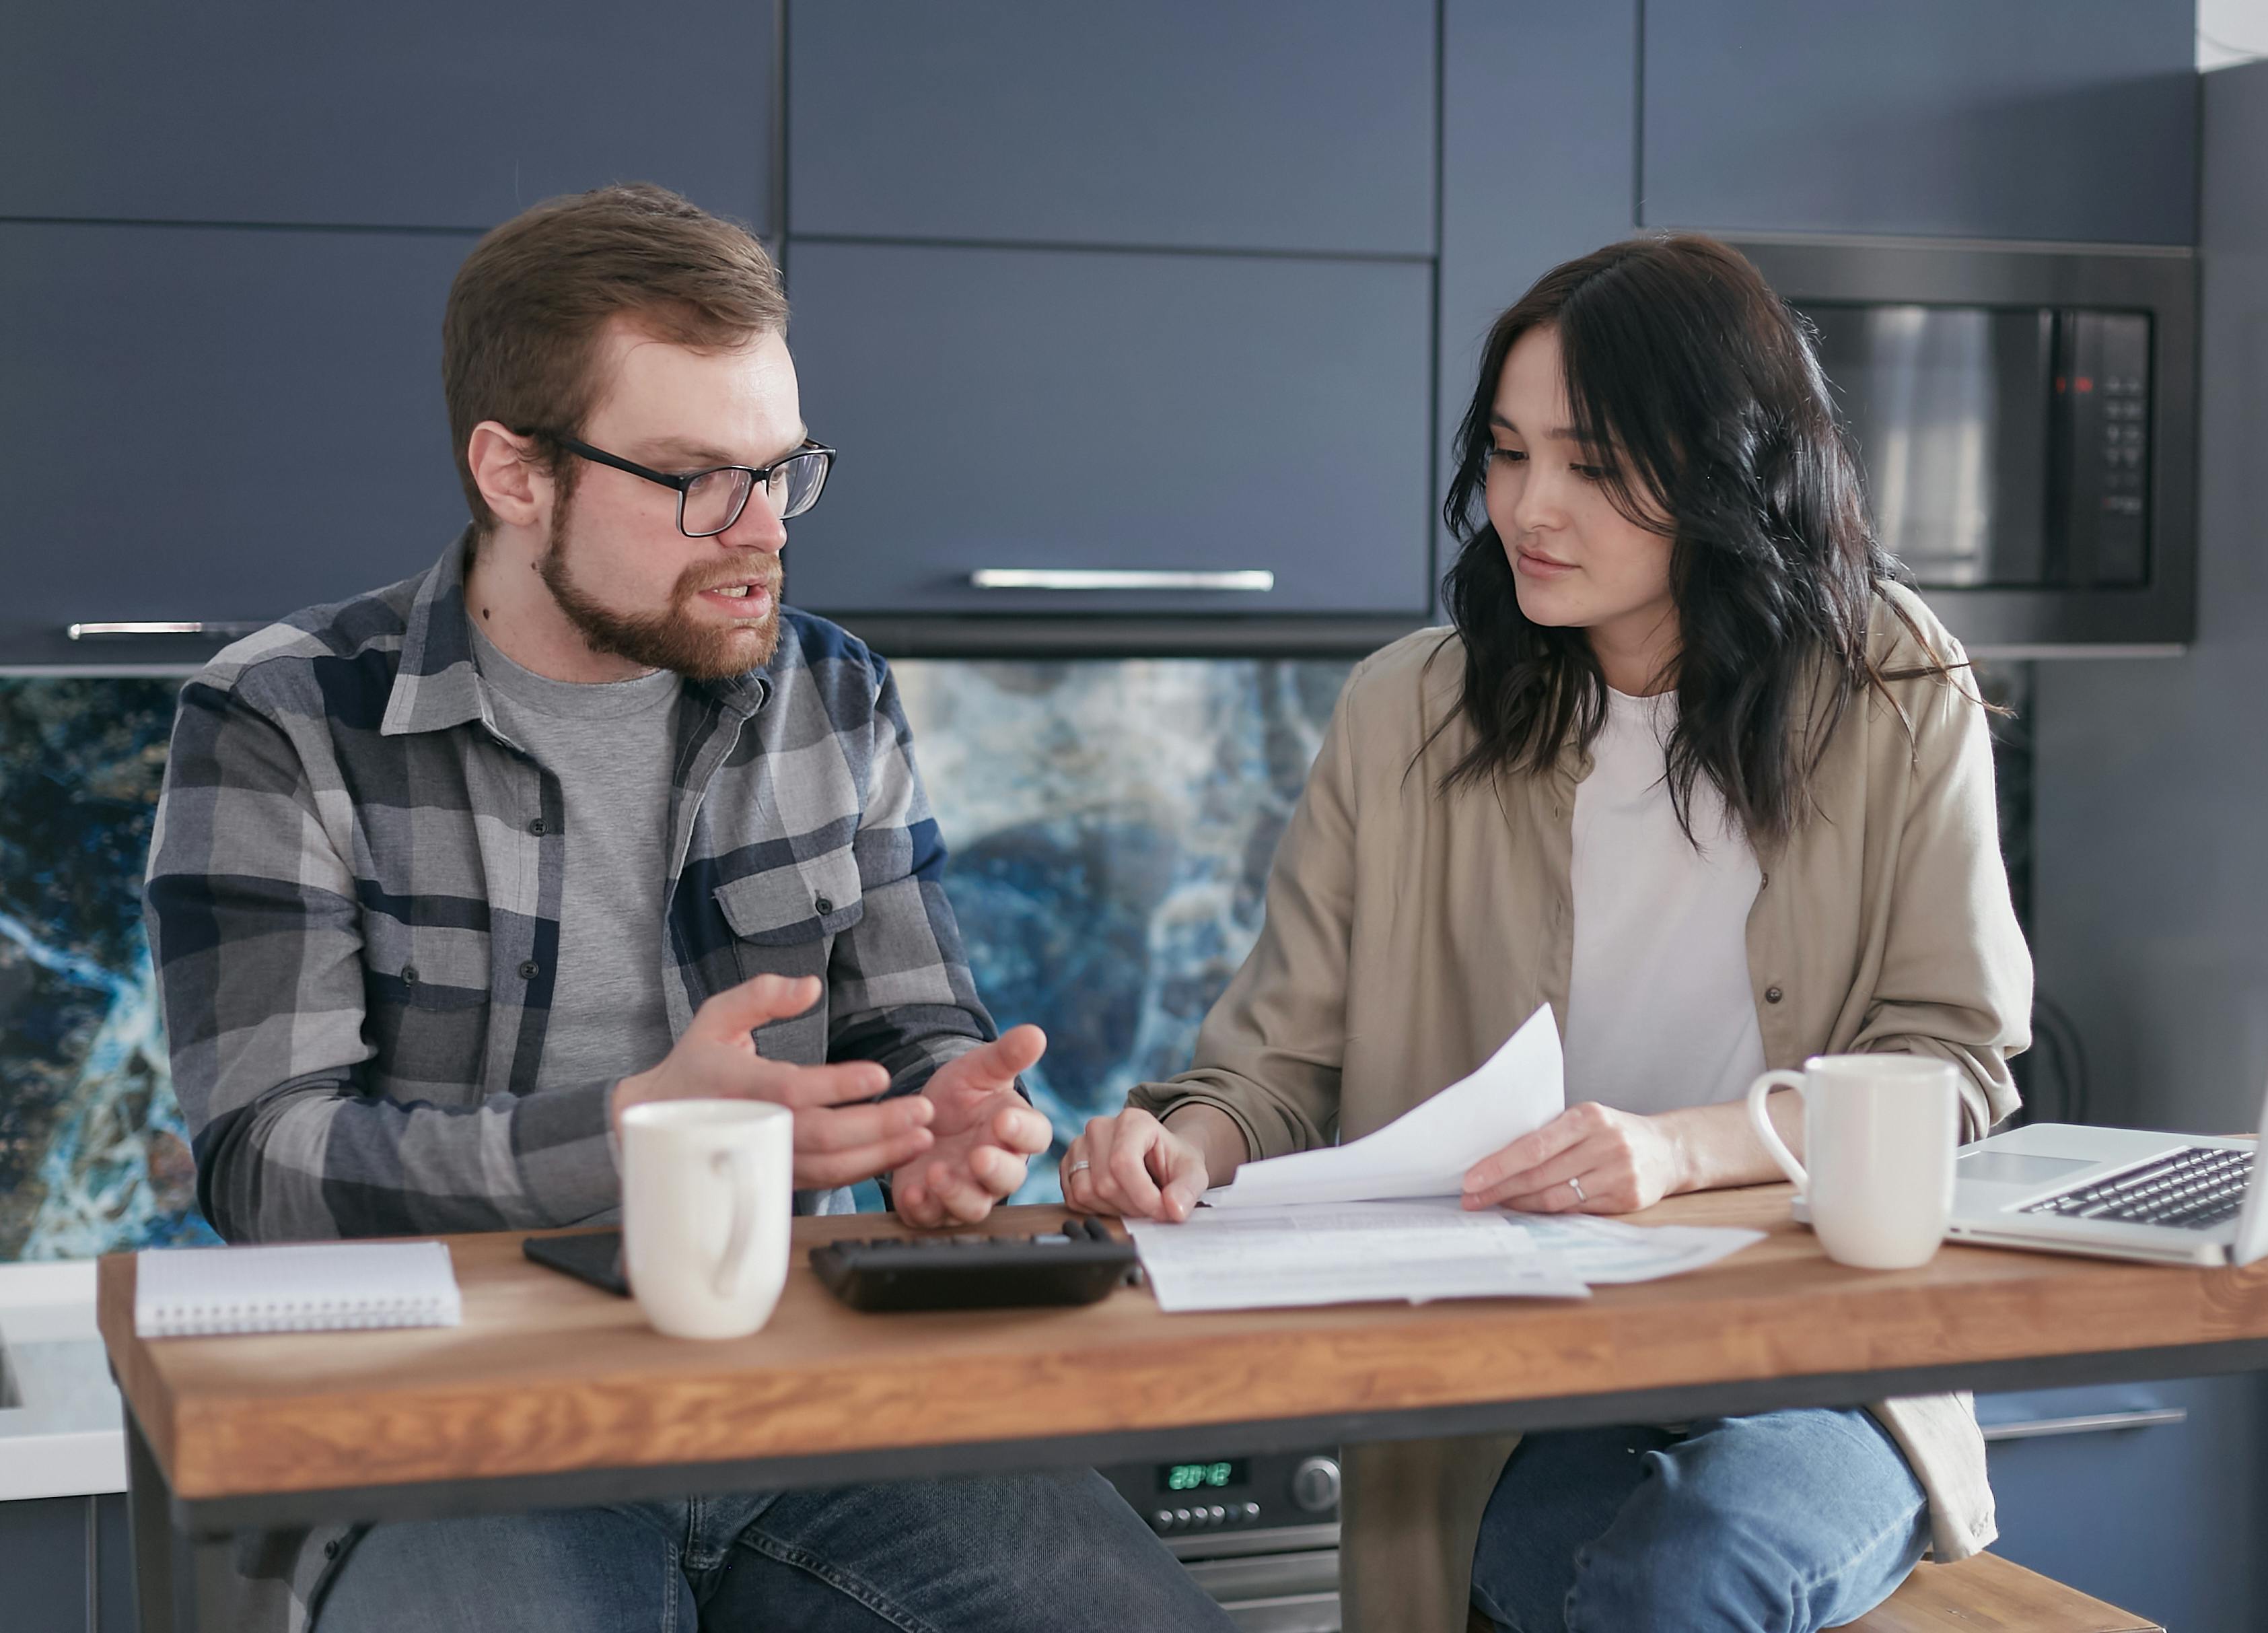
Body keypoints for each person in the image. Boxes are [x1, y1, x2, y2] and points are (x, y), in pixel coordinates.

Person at [144, 183, 1232, 1633]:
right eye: (698, 479)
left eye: (782, 470)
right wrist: (633, 1142)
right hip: (459, 1433)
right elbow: (264, 1168)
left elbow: (921, 1029)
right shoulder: (282, 717)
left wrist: (948, 1137)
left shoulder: (831, 691)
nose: (762, 530)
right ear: (516, 473)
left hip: (819, 1407)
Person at [1060, 234, 2032, 1633]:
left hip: (1814, 1357)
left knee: (1682, 1573)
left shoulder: (1894, 685)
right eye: (1508, 454)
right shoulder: (1409, 713)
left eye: (1589, 462)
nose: (1530, 506)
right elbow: (1273, 1070)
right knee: (1583, 1581)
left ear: (1724, 465)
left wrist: (1677, 1148)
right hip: (1518, 1383)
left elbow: (1956, 1065)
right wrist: (1179, 1146)